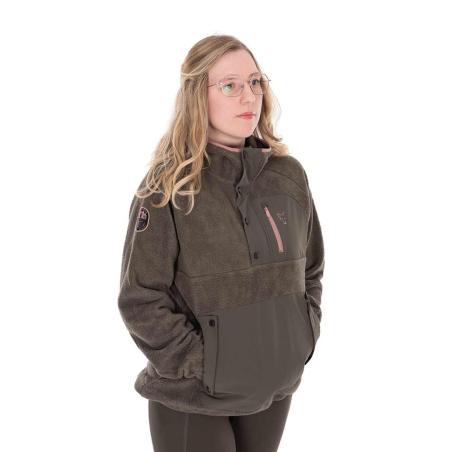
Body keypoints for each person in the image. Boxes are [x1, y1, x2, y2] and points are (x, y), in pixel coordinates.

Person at [117, 34, 325, 452]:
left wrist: (299, 338)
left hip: (272, 392)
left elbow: (311, 270)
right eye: (230, 85)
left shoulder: (288, 176)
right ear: (198, 96)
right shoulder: (167, 189)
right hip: (194, 400)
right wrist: (206, 364)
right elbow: (141, 299)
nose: (249, 96)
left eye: (255, 82)